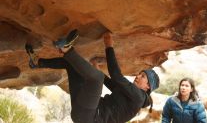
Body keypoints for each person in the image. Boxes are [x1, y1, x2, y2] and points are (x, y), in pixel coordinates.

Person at [25, 29, 160, 123]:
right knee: (73, 65)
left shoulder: (138, 97)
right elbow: (111, 81)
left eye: (143, 76)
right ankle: (37, 62)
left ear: (148, 86)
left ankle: (66, 48)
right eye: (140, 73)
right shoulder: (130, 96)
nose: (138, 76)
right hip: (82, 113)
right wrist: (97, 68)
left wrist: (108, 45)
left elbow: (116, 75)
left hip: (91, 117)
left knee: (97, 79)